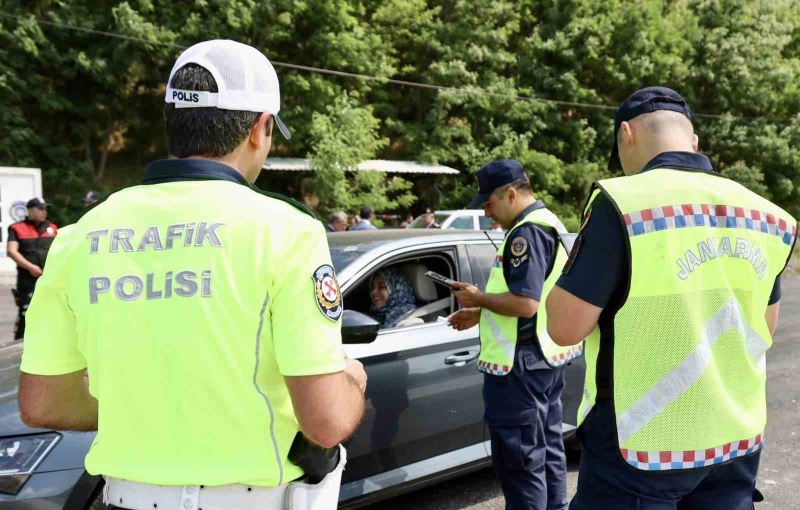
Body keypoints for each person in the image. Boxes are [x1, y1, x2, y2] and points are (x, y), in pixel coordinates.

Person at [18, 39, 367, 510]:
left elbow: (44, 403)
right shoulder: (286, 230)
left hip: (125, 501)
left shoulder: (80, 236)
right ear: (260, 129)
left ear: (173, 124)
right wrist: (353, 380)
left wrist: (149, 410)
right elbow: (326, 420)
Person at [546, 86, 796, 510]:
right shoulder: (765, 214)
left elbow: (564, 327)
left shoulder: (623, 203)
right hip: (734, 439)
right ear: (694, 141)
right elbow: (765, 325)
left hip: (642, 444)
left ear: (627, 134)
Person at [446, 159, 581, 510]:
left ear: (510, 193)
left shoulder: (527, 232)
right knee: (547, 451)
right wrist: (480, 311)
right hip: (541, 360)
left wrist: (478, 297)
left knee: (520, 462)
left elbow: (525, 304)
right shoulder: (547, 222)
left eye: (488, 204)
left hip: (518, 369)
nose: (488, 214)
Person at [6, 198, 58, 341]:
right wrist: (31, 267)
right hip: (27, 281)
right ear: (30, 210)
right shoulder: (17, 228)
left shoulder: (52, 227)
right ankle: (19, 347)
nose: (44, 212)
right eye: (40, 208)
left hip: (49, 281)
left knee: (53, 315)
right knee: (26, 315)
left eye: (45, 209)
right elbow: (12, 251)